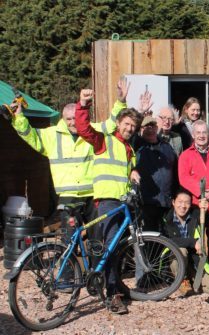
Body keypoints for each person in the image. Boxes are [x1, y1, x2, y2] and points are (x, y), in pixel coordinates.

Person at [10, 79, 129, 239]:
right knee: (70, 237)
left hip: (92, 194)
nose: (73, 123)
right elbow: (29, 135)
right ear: (63, 119)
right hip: (67, 195)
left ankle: (95, 264)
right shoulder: (51, 134)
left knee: (97, 237)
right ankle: (70, 264)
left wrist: (120, 101)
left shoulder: (91, 131)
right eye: (69, 119)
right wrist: (18, 117)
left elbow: (111, 124)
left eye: (75, 118)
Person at [75, 88, 143, 315]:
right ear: (119, 122)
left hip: (122, 203)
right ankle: (113, 294)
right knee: (111, 248)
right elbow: (84, 129)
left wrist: (132, 171)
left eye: (133, 126)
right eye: (126, 124)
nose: (129, 129)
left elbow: (125, 170)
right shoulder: (104, 141)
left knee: (112, 247)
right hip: (107, 201)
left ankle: (107, 283)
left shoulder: (129, 149)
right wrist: (83, 105)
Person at [133, 116, 178, 232]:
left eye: (152, 126)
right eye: (146, 126)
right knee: (149, 237)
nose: (150, 129)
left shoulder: (166, 147)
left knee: (166, 236)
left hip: (166, 202)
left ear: (157, 128)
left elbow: (175, 170)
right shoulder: (137, 146)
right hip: (147, 203)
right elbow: (132, 134)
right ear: (141, 129)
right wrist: (141, 113)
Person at [161, 189, 209, 296]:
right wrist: (193, 242)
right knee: (181, 250)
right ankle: (182, 281)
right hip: (173, 261)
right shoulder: (165, 218)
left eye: (187, 203)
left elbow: (206, 223)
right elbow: (167, 240)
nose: (183, 206)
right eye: (180, 202)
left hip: (194, 259)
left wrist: (205, 211)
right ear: (173, 202)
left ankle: (193, 279)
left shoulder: (196, 215)